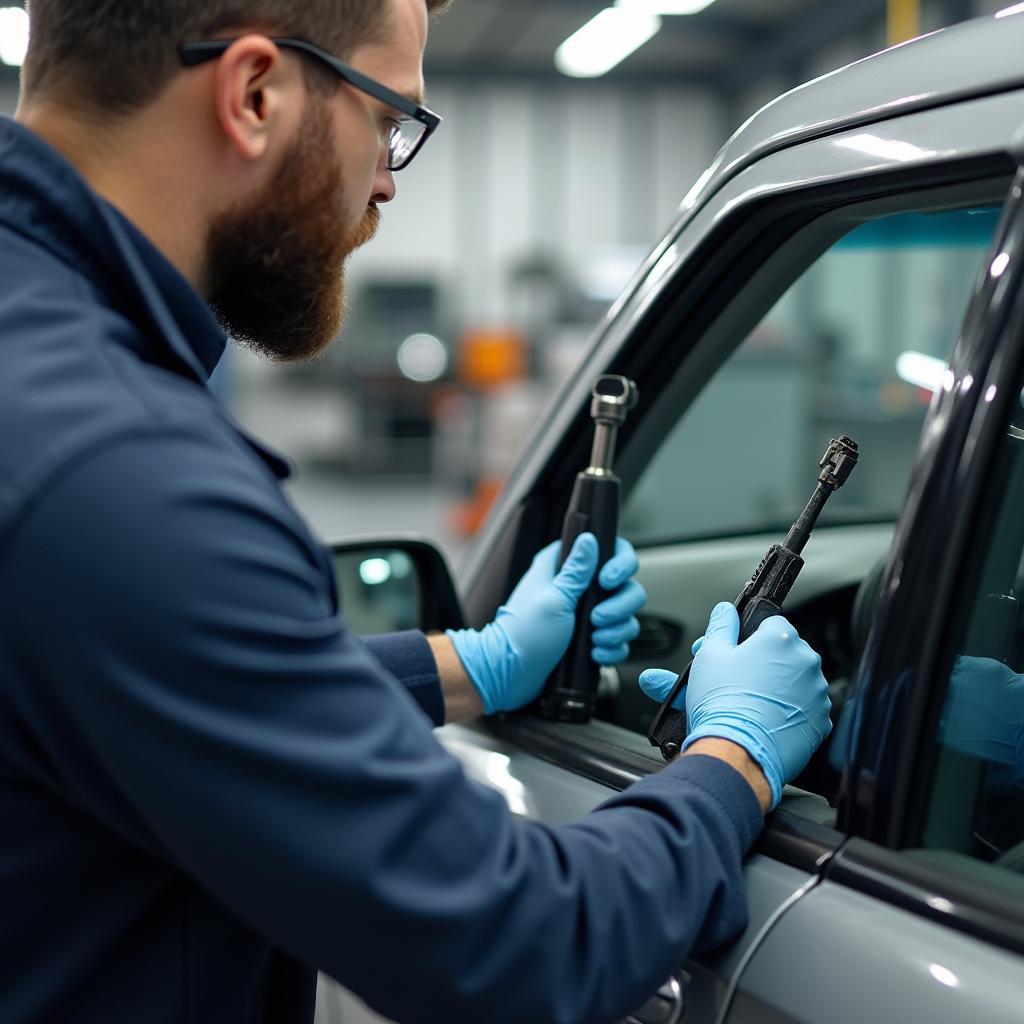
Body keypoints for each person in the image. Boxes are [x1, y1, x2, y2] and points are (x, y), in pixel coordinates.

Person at [0, 2, 833, 1022]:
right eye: (391, 118)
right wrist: (734, 758)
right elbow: (520, 942)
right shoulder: (123, 475)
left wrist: (467, 662)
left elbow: (132, 677)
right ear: (254, 94)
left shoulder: (39, 374)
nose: (388, 177)